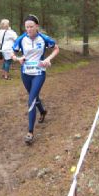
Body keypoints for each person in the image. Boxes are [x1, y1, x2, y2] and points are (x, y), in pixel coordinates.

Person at [12, 14, 59, 145]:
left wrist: (48, 59)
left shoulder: (44, 38)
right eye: (27, 27)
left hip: (39, 73)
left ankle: (30, 132)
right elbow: (12, 53)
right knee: (34, 96)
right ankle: (43, 111)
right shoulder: (21, 39)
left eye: (31, 26)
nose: (29, 29)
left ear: (37, 26)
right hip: (25, 73)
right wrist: (18, 59)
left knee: (31, 99)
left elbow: (56, 48)